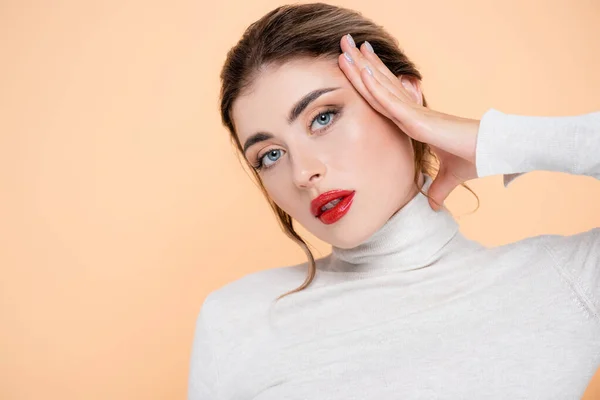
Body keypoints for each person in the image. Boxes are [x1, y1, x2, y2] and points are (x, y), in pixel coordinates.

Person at [188, 3, 600, 399]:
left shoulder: (565, 283)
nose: (302, 173)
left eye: (323, 117)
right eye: (270, 155)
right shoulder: (237, 320)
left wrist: (492, 140)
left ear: (403, 99)